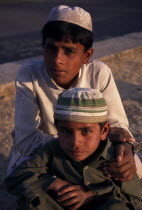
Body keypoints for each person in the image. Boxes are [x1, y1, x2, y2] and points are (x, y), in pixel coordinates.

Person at [7, 5, 142, 179]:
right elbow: (26, 139)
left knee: (132, 167)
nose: (58, 60)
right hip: (47, 153)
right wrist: (73, 143)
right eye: (51, 48)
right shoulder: (29, 74)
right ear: (43, 47)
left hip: (88, 148)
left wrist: (126, 144)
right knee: (19, 176)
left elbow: (118, 126)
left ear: (87, 55)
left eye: (68, 51)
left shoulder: (99, 72)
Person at [5, 88, 142, 210]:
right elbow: (15, 178)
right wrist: (54, 183)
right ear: (57, 129)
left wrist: (93, 194)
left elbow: (135, 201)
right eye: (65, 131)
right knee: (33, 197)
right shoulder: (51, 150)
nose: (75, 143)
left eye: (86, 131)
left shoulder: (118, 159)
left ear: (104, 130)